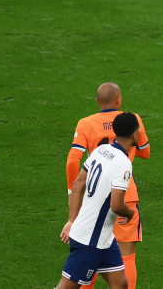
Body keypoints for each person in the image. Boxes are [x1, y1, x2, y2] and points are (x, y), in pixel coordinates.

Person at [66, 83, 150, 288]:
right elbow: (145, 152)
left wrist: (72, 195)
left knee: (96, 258)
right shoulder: (133, 120)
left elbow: (72, 162)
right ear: (119, 99)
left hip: (94, 199)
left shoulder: (87, 126)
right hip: (124, 196)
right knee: (127, 257)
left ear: (97, 101)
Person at [57, 112, 140, 289]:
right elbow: (116, 205)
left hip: (105, 239)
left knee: (120, 285)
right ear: (135, 134)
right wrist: (130, 213)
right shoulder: (124, 163)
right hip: (90, 239)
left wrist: (72, 220)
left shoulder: (101, 150)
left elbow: (78, 184)